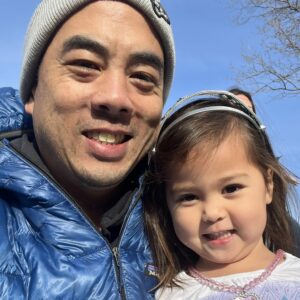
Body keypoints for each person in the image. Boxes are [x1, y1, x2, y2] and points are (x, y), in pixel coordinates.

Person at [0, 0, 175, 299]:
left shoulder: (191, 220)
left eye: (143, 77)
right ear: (32, 91)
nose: (116, 97)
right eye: (85, 65)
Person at [144, 90, 300, 299]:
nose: (212, 213)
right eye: (189, 197)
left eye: (231, 188)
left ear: (268, 185)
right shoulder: (168, 294)